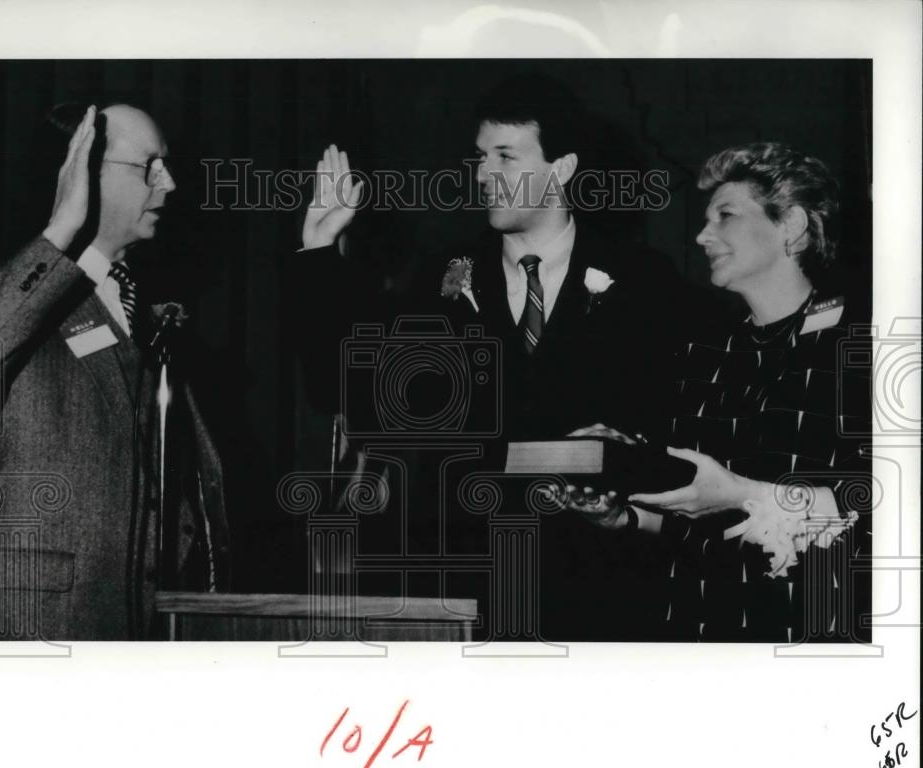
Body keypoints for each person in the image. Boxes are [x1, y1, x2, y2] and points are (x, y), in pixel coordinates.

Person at [291, 74, 686, 640]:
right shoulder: (438, 277)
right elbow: (347, 391)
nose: (483, 175)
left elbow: (670, 426)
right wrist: (319, 252)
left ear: (562, 168)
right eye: (480, 157)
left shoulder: (645, 279)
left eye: (506, 156)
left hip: (601, 588)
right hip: (469, 587)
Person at [556, 142, 871, 642]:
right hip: (697, 634)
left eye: (725, 215)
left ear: (791, 225)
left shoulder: (864, 343)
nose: (703, 235)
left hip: (810, 640)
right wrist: (627, 515)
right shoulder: (703, 353)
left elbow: (883, 506)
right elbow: (699, 520)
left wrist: (747, 494)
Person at [0, 104, 231, 641]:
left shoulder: (147, 312)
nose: (170, 182)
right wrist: (63, 229)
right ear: (83, 170)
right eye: (148, 166)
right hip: (35, 635)